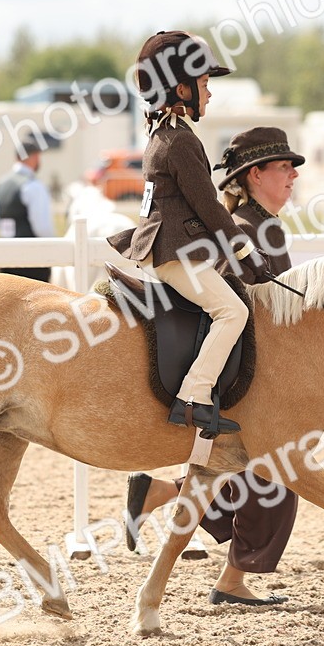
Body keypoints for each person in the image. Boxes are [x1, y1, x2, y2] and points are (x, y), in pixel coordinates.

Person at [125, 127, 305, 606]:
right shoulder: (244, 230)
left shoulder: (262, 224)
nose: (292, 176)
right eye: (283, 167)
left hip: (253, 370)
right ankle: (229, 577)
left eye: (293, 168)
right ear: (253, 175)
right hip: (246, 376)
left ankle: (163, 496)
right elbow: (243, 314)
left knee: (250, 473)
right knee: (275, 475)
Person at [108, 31, 266, 434]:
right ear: (182, 88)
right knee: (233, 311)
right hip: (176, 253)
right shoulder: (179, 141)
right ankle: (193, 396)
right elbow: (209, 206)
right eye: (204, 84)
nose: (209, 94)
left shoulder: (162, 134)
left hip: (171, 247)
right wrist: (246, 254)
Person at [0, 137, 56, 282]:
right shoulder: (33, 186)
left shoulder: (0, 184)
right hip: (32, 257)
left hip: (5, 254)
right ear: (34, 156)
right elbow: (42, 227)